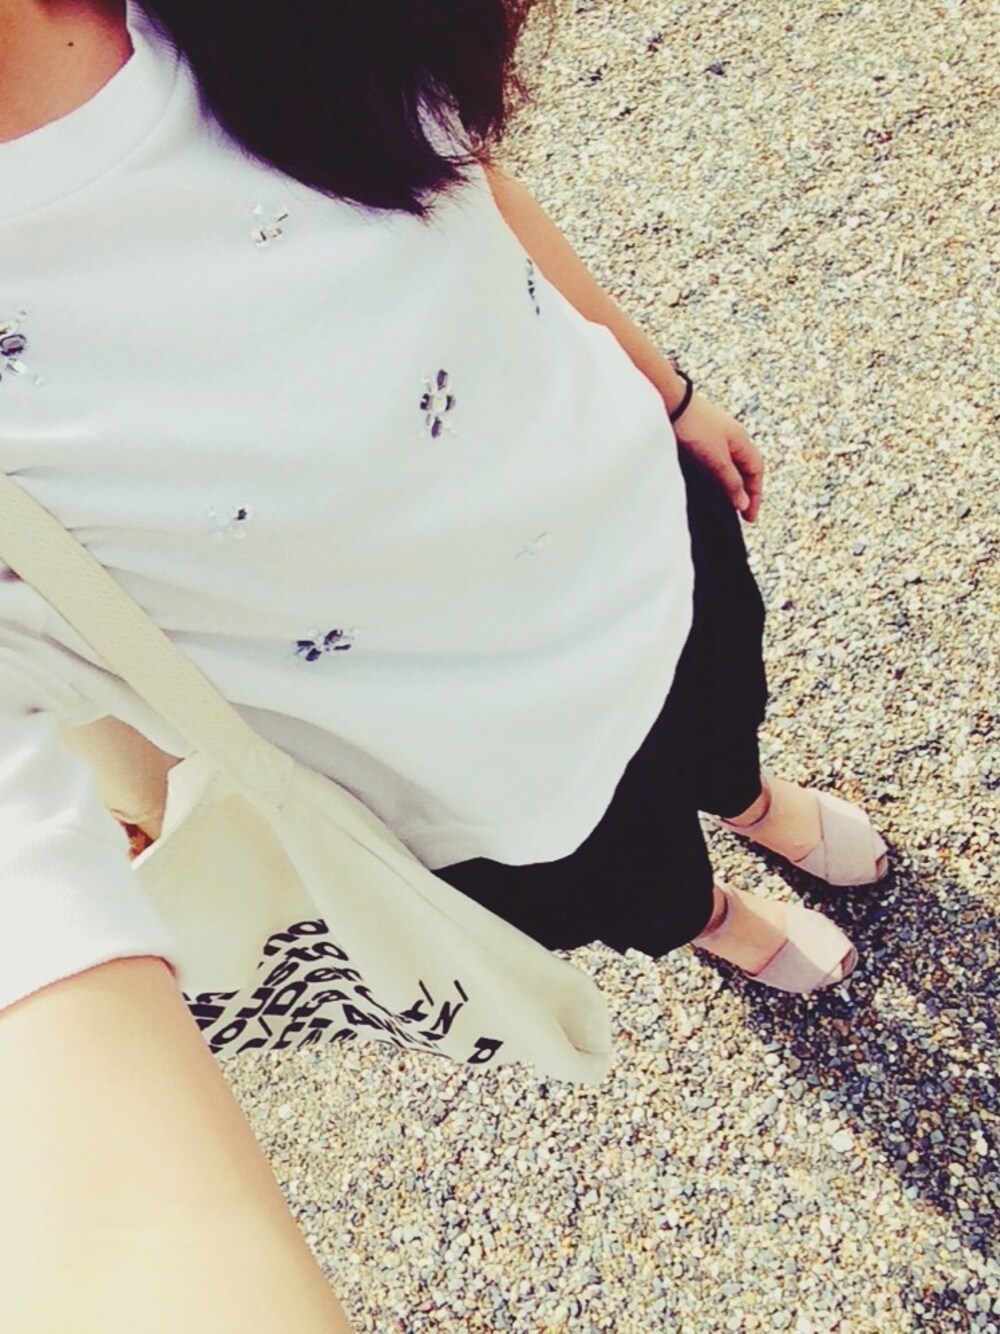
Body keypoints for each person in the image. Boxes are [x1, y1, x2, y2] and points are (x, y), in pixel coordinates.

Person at [0, 1, 888, 1328]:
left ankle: (750, 798)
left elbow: (449, 165)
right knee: (633, 884)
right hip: (467, 768)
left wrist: (663, 383)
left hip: (639, 530)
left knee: (722, 719)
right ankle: (712, 914)